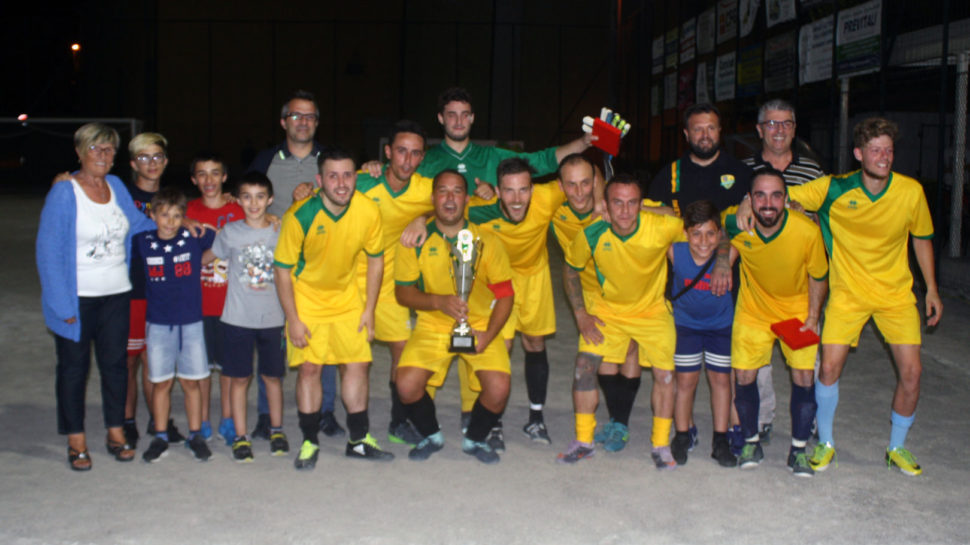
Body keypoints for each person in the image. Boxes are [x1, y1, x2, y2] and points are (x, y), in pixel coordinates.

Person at [768, 117, 940, 476]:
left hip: (896, 295)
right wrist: (782, 208)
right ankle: (826, 442)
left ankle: (897, 448)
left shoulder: (910, 192)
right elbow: (774, 195)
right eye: (875, 150)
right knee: (828, 368)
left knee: (913, 373)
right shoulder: (833, 188)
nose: (883, 157)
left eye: (889, 150)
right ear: (859, 154)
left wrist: (932, 290)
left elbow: (922, 239)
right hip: (848, 294)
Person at [37, 123, 155, 470]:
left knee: (116, 368)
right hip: (77, 299)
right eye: (95, 149)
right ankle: (76, 440)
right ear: (79, 152)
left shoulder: (116, 186)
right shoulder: (64, 193)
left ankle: (115, 433)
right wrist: (62, 307)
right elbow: (48, 252)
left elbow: (137, 224)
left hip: (117, 295)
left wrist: (177, 223)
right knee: (74, 370)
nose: (102, 156)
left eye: (108, 150)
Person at [274, 148, 393, 470]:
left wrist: (369, 309)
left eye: (347, 174)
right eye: (333, 175)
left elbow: (375, 259)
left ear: (357, 177)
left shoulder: (368, 210)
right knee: (310, 369)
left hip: (347, 298)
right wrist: (293, 319)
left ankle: (358, 440)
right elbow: (282, 270)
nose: (341, 183)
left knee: (356, 366)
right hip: (307, 301)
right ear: (319, 180)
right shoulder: (299, 215)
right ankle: (310, 442)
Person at [561, 175, 684, 469]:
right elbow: (569, 270)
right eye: (618, 203)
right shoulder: (591, 232)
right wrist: (580, 314)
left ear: (642, 206)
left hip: (652, 312)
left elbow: (704, 229)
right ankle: (584, 441)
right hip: (608, 312)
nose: (625, 211)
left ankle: (660, 445)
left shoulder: (662, 227)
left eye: (632, 204)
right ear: (605, 205)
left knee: (666, 376)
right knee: (584, 370)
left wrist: (720, 260)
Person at [394, 170, 515, 463]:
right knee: (406, 385)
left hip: (479, 325)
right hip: (434, 323)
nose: (450, 199)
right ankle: (431, 434)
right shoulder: (414, 239)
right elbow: (402, 294)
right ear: (433, 198)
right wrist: (438, 301)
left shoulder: (487, 240)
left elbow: (506, 295)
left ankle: (474, 440)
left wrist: (488, 335)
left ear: (467, 198)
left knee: (499, 389)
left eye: (457, 191)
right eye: (443, 192)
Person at [247, 90, 342, 439]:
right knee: (271, 338)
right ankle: (264, 414)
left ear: (318, 122)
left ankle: (326, 411)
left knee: (322, 341)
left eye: (310, 117)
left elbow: (348, 194)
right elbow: (247, 199)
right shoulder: (267, 159)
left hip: (319, 266)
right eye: (296, 116)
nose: (303, 122)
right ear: (284, 121)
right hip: (277, 265)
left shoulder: (329, 159)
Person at [724, 169, 828, 476]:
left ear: (786, 199)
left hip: (796, 311)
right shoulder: (738, 222)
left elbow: (819, 276)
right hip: (753, 310)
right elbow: (715, 230)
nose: (768, 203)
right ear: (750, 199)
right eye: (760, 195)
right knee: (743, 375)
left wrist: (813, 314)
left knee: (804, 377)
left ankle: (798, 450)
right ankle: (751, 440)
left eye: (775, 195)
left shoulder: (806, 231)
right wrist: (721, 261)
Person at [742, 98, 826, 441]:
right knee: (757, 361)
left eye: (787, 123)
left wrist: (807, 218)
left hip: (801, 284)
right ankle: (761, 419)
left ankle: (809, 422)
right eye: (772, 124)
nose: (779, 130)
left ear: (795, 129)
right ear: (760, 129)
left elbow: (825, 223)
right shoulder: (742, 168)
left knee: (807, 360)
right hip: (759, 285)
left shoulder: (813, 171)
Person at [466, 157, 565, 448]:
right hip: (499, 283)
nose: (518, 199)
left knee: (535, 343)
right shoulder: (480, 209)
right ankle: (493, 419)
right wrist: (421, 220)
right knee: (500, 344)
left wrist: (599, 204)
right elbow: (442, 209)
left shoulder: (547, 196)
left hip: (535, 277)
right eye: (509, 191)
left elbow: (588, 176)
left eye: (524, 189)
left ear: (533, 189)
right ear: (497, 191)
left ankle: (536, 417)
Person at [350, 121, 437, 448]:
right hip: (348, 281)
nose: (407, 160)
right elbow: (321, 197)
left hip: (387, 286)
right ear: (387, 153)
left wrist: (424, 217)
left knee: (404, 351)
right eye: (401, 151)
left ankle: (399, 422)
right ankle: (349, 423)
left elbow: (458, 203)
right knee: (355, 357)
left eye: (415, 154)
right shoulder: (363, 182)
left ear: (422, 158)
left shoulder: (424, 190)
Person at [551, 154, 642, 454]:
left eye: (586, 183)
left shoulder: (616, 206)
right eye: (571, 185)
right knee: (597, 361)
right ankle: (588, 434)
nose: (579, 193)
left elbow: (662, 213)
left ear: (595, 183)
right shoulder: (554, 210)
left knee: (628, 352)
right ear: (561, 186)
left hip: (627, 293)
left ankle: (620, 423)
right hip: (590, 297)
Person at [205, 172, 289, 462]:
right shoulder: (229, 232)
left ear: (270, 199)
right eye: (247, 196)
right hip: (237, 320)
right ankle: (241, 436)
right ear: (238, 199)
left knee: (273, 378)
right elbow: (206, 257)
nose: (254, 203)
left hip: (274, 319)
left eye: (260, 196)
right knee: (239, 379)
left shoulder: (281, 232)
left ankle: (277, 430)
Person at [416, 86, 594, 196]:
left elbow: (542, 160)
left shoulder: (493, 156)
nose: (459, 121)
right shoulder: (425, 161)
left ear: (472, 118)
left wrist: (584, 142)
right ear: (440, 118)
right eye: (451, 115)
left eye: (465, 115)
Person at [123, 132, 185, 447]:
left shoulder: (174, 199)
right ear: (134, 162)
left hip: (162, 291)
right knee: (128, 360)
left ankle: (157, 421)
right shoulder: (120, 193)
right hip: (130, 288)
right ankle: (127, 420)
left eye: (157, 157)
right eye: (144, 157)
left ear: (166, 161)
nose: (152, 163)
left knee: (155, 360)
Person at [667, 200, 737, 468]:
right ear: (685, 233)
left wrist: (723, 252)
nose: (703, 241)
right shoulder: (675, 251)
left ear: (719, 234)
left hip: (720, 327)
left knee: (721, 382)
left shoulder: (728, 253)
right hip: (687, 326)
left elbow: (735, 229)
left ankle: (721, 439)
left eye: (710, 233)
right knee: (685, 382)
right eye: (696, 233)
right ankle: (683, 434)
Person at [185, 152, 244, 444]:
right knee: (202, 368)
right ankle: (204, 418)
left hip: (232, 305)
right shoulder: (186, 211)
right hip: (199, 304)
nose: (209, 180)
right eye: (202, 174)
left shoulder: (238, 210)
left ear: (224, 177)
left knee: (229, 368)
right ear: (194, 179)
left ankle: (229, 420)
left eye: (214, 173)